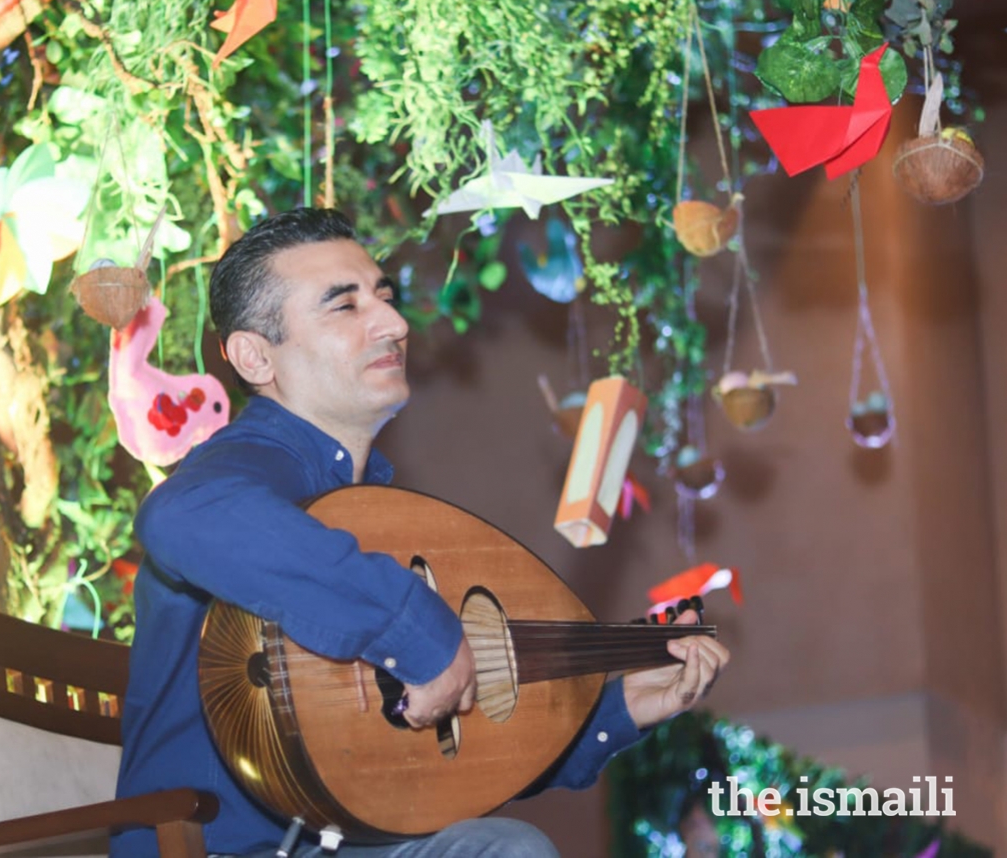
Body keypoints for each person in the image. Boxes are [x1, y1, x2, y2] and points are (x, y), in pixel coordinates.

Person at [113, 208, 729, 858]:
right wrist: (418, 632)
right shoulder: (247, 465)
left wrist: (614, 711)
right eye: (344, 306)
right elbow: (181, 513)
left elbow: (429, 762)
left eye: (384, 295)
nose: (395, 322)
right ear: (255, 356)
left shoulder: (371, 509)